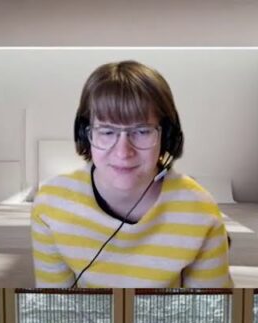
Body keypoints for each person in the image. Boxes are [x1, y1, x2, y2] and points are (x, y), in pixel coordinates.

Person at [31, 61, 232, 288]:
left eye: (141, 131)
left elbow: (212, 315)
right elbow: (52, 311)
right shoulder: (51, 205)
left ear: (167, 136)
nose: (123, 152)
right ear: (85, 135)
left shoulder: (199, 209)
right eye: (107, 131)